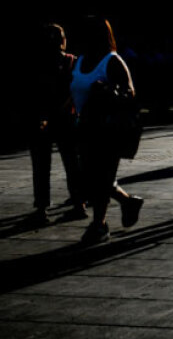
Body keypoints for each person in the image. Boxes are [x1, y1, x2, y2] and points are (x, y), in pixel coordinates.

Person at [69, 17, 144, 244]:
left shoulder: (112, 61)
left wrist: (108, 91)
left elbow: (129, 93)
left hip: (108, 131)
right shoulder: (81, 60)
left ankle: (99, 225)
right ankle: (128, 202)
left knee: (100, 179)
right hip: (84, 129)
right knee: (92, 179)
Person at [29, 23, 83, 224]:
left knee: (41, 165)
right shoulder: (72, 61)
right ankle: (79, 203)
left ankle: (42, 208)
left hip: (42, 119)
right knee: (71, 163)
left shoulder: (36, 63)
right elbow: (76, 88)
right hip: (66, 118)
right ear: (63, 41)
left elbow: (33, 93)